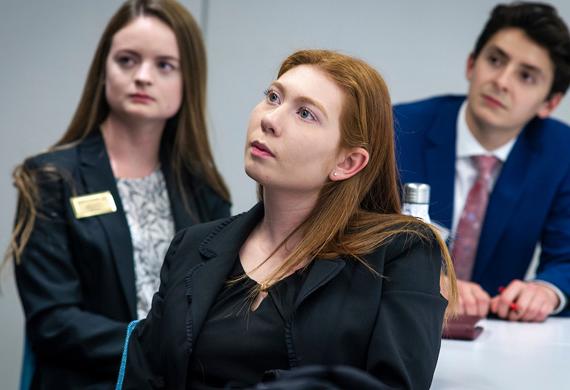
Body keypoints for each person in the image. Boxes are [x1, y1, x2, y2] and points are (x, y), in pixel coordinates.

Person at [117, 49, 457, 390]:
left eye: (305, 113)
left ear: (348, 163)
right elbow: (144, 372)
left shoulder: (402, 252)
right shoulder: (192, 246)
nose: (270, 119)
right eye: (273, 97)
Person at [7, 0, 230, 388]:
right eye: (127, 60)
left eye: (164, 65)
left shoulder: (204, 191)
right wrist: (150, 344)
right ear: (103, 71)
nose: (142, 76)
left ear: (187, 80)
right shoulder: (50, 179)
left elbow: (212, 314)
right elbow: (53, 323)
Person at [394, 2, 570, 322]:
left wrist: (546, 289)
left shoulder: (561, 153)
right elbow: (353, 233)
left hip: (491, 335)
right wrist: (422, 281)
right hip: (396, 319)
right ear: (471, 65)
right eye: (495, 60)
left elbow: (567, 258)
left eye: (526, 76)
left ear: (549, 103)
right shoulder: (399, 128)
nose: (502, 81)